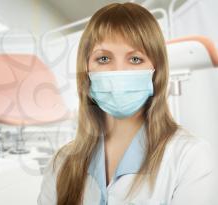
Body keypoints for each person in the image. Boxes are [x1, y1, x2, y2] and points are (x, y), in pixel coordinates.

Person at [37, 2, 217, 205]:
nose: (118, 71)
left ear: (156, 72)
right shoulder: (61, 163)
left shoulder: (190, 158)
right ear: (86, 71)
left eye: (135, 59)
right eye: (104, 58)